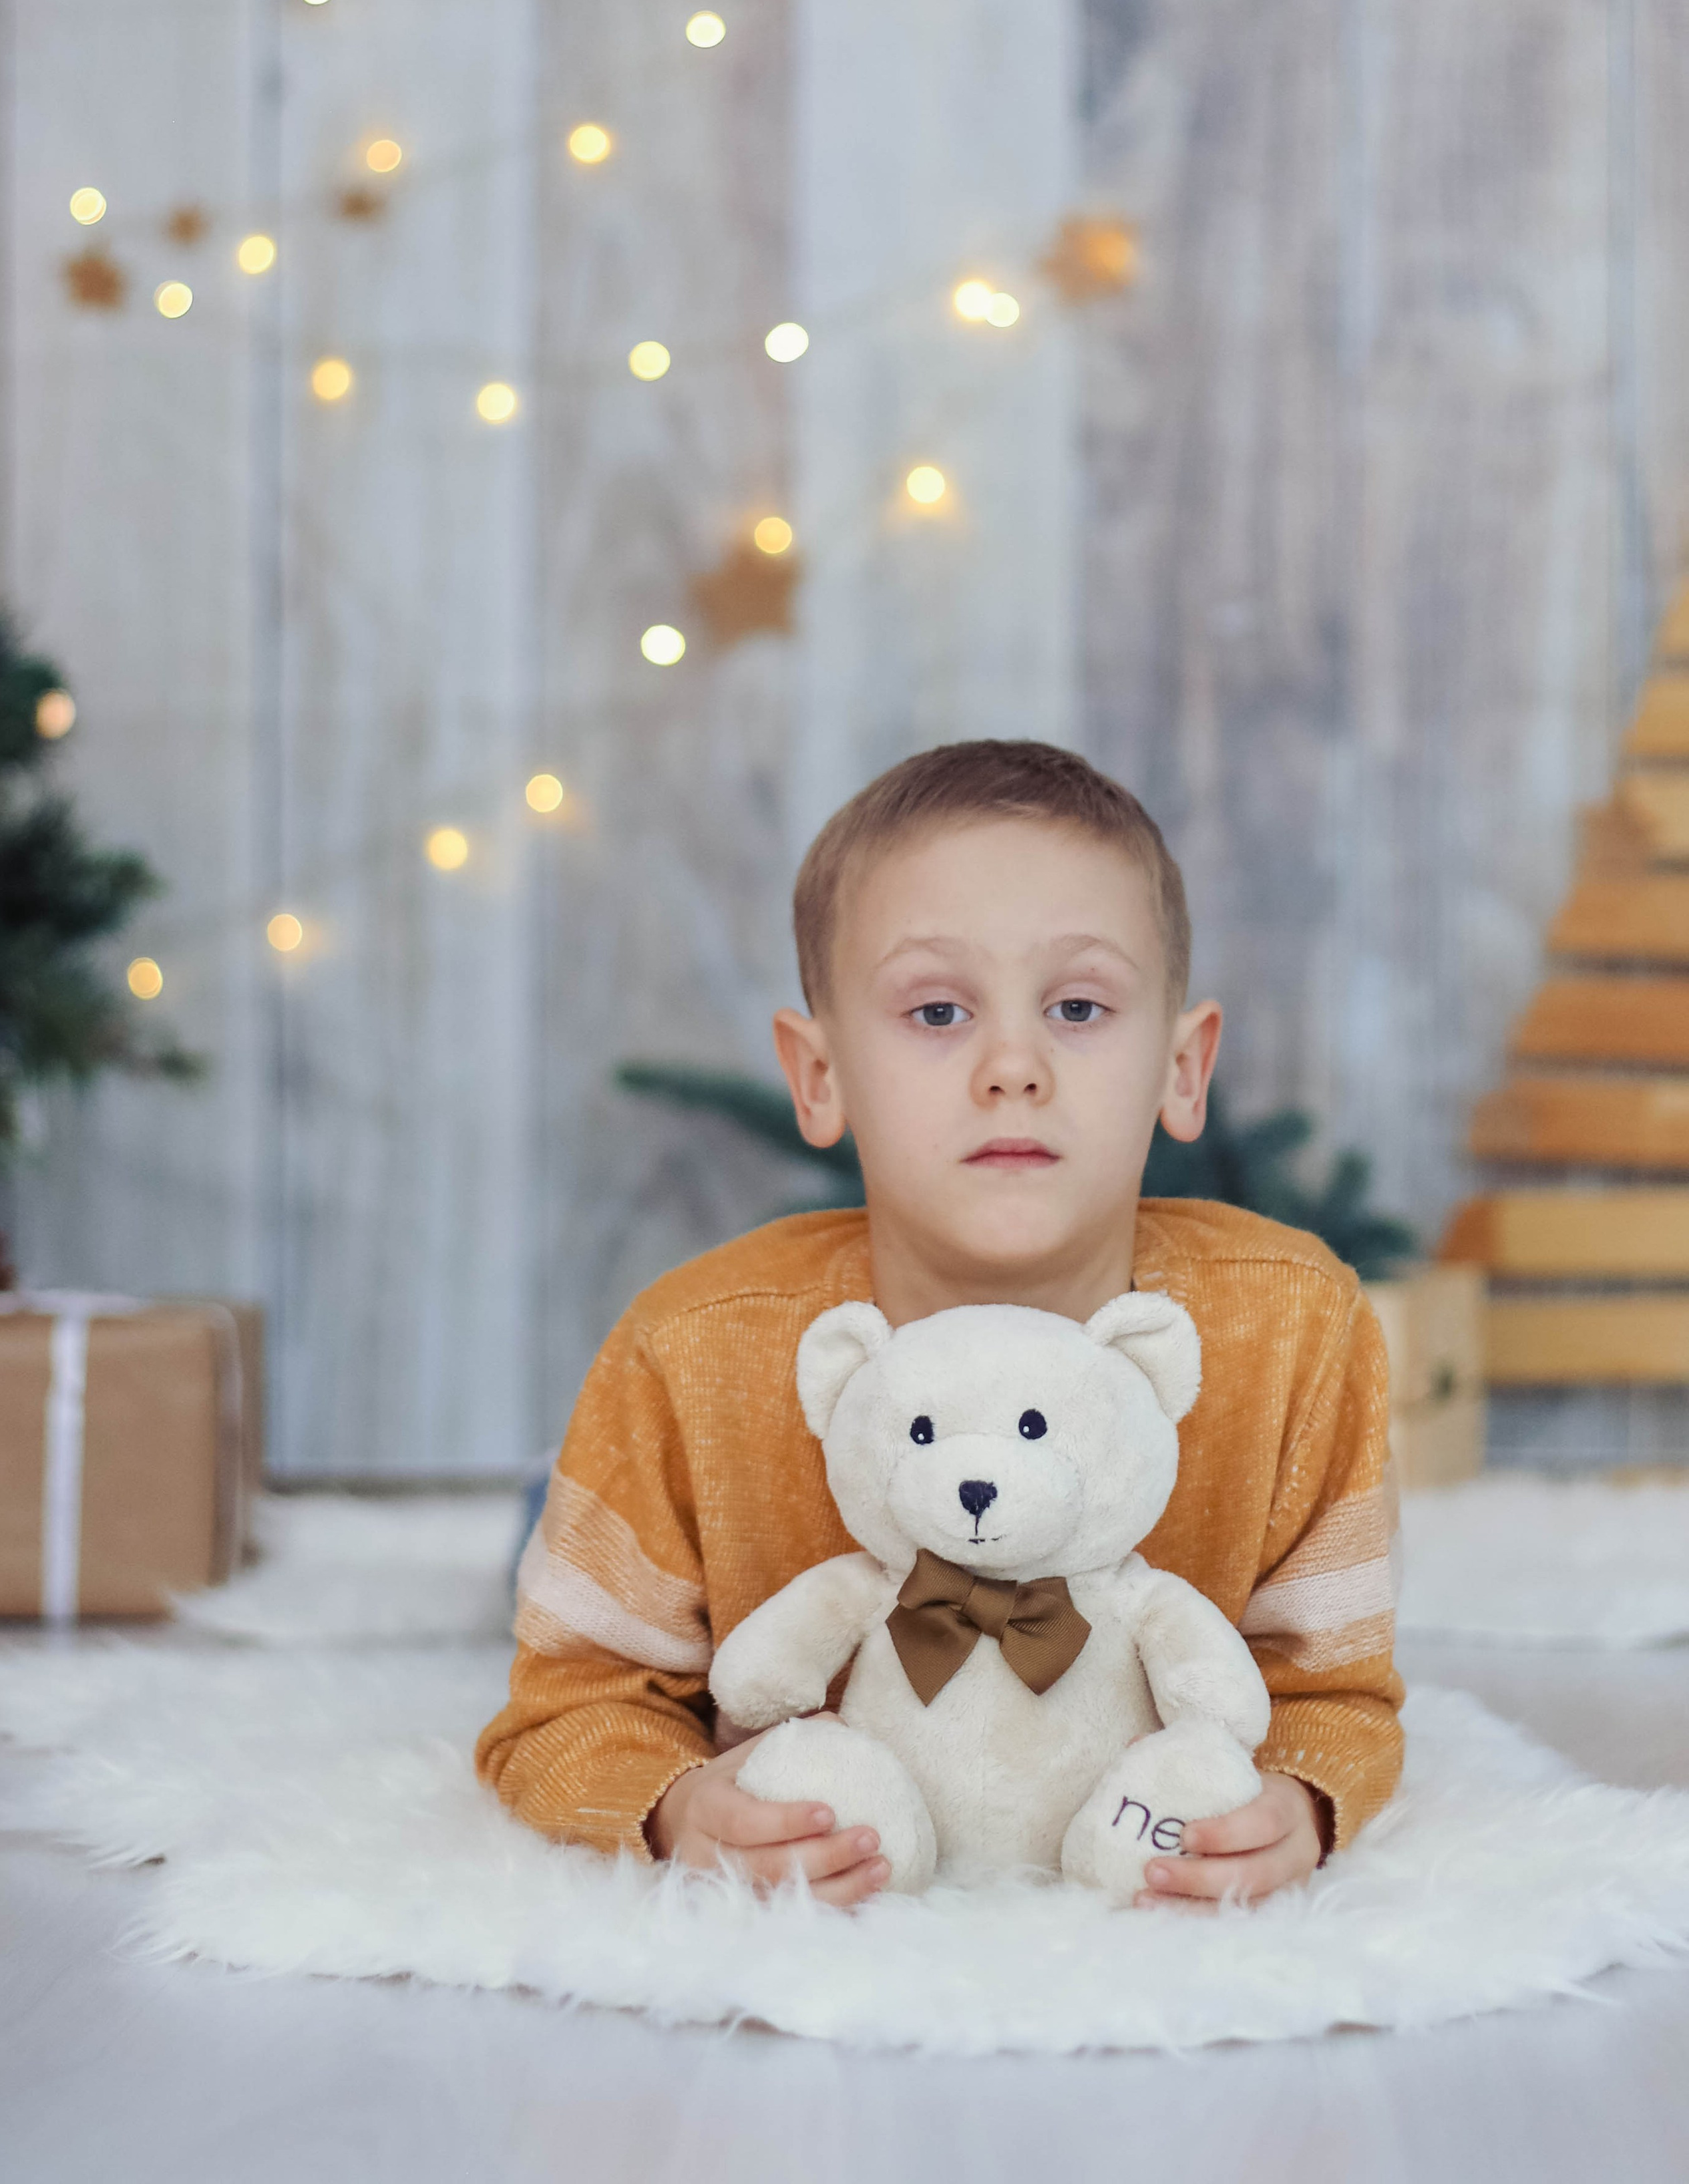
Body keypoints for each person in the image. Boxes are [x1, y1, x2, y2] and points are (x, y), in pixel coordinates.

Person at [476, 741, 1404, 1908]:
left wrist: (1300, 1802)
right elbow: (567, 1705)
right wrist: (671, 1807)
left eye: (1078, 1007)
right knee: (549, 1572)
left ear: (1182, 1069)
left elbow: (1335, 1694)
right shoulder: (689, 1349)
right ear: (820, 1077)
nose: (1013, 1067)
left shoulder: (1295, 1328)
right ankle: (534, 1514)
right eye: (936, 1010)